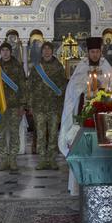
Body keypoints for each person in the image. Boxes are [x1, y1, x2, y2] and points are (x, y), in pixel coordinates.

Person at [59, 37, 112, 192]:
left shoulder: (106, 66)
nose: (95, 55)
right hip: (84, 114)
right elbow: (72, 89)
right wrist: (86, 83)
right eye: (92, 52)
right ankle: (79, 184)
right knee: (83, 146)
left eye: (97, 51)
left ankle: (103, 180)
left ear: (100, 51)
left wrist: (103, 84)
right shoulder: (82, 67)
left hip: (103, 113)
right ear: (88, 52)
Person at [27, 42, 67, 170]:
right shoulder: (36, 67)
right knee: (40, 134)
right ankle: (42, 159)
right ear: (42, 51)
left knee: (53, 133)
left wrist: (61, 105)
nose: (46, 51)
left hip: (54, 106)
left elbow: (63, 86)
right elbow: (30, 87)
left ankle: (52, 159)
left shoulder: (59, 67)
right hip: (39, 106)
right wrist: (30, 105)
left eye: (49, 49)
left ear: (52, 51)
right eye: (44, 49)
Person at [0, 42, 26, 172]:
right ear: (0, 52)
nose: (5, 52)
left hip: (15, 106)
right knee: (1, 133)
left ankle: (13, 158)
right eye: (3, 50)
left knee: (14, 133)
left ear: (10, 51)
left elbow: (22, 86)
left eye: (7, 50)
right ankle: (3, 159)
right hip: (0, 106)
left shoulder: (18, 66)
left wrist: (22, 105)